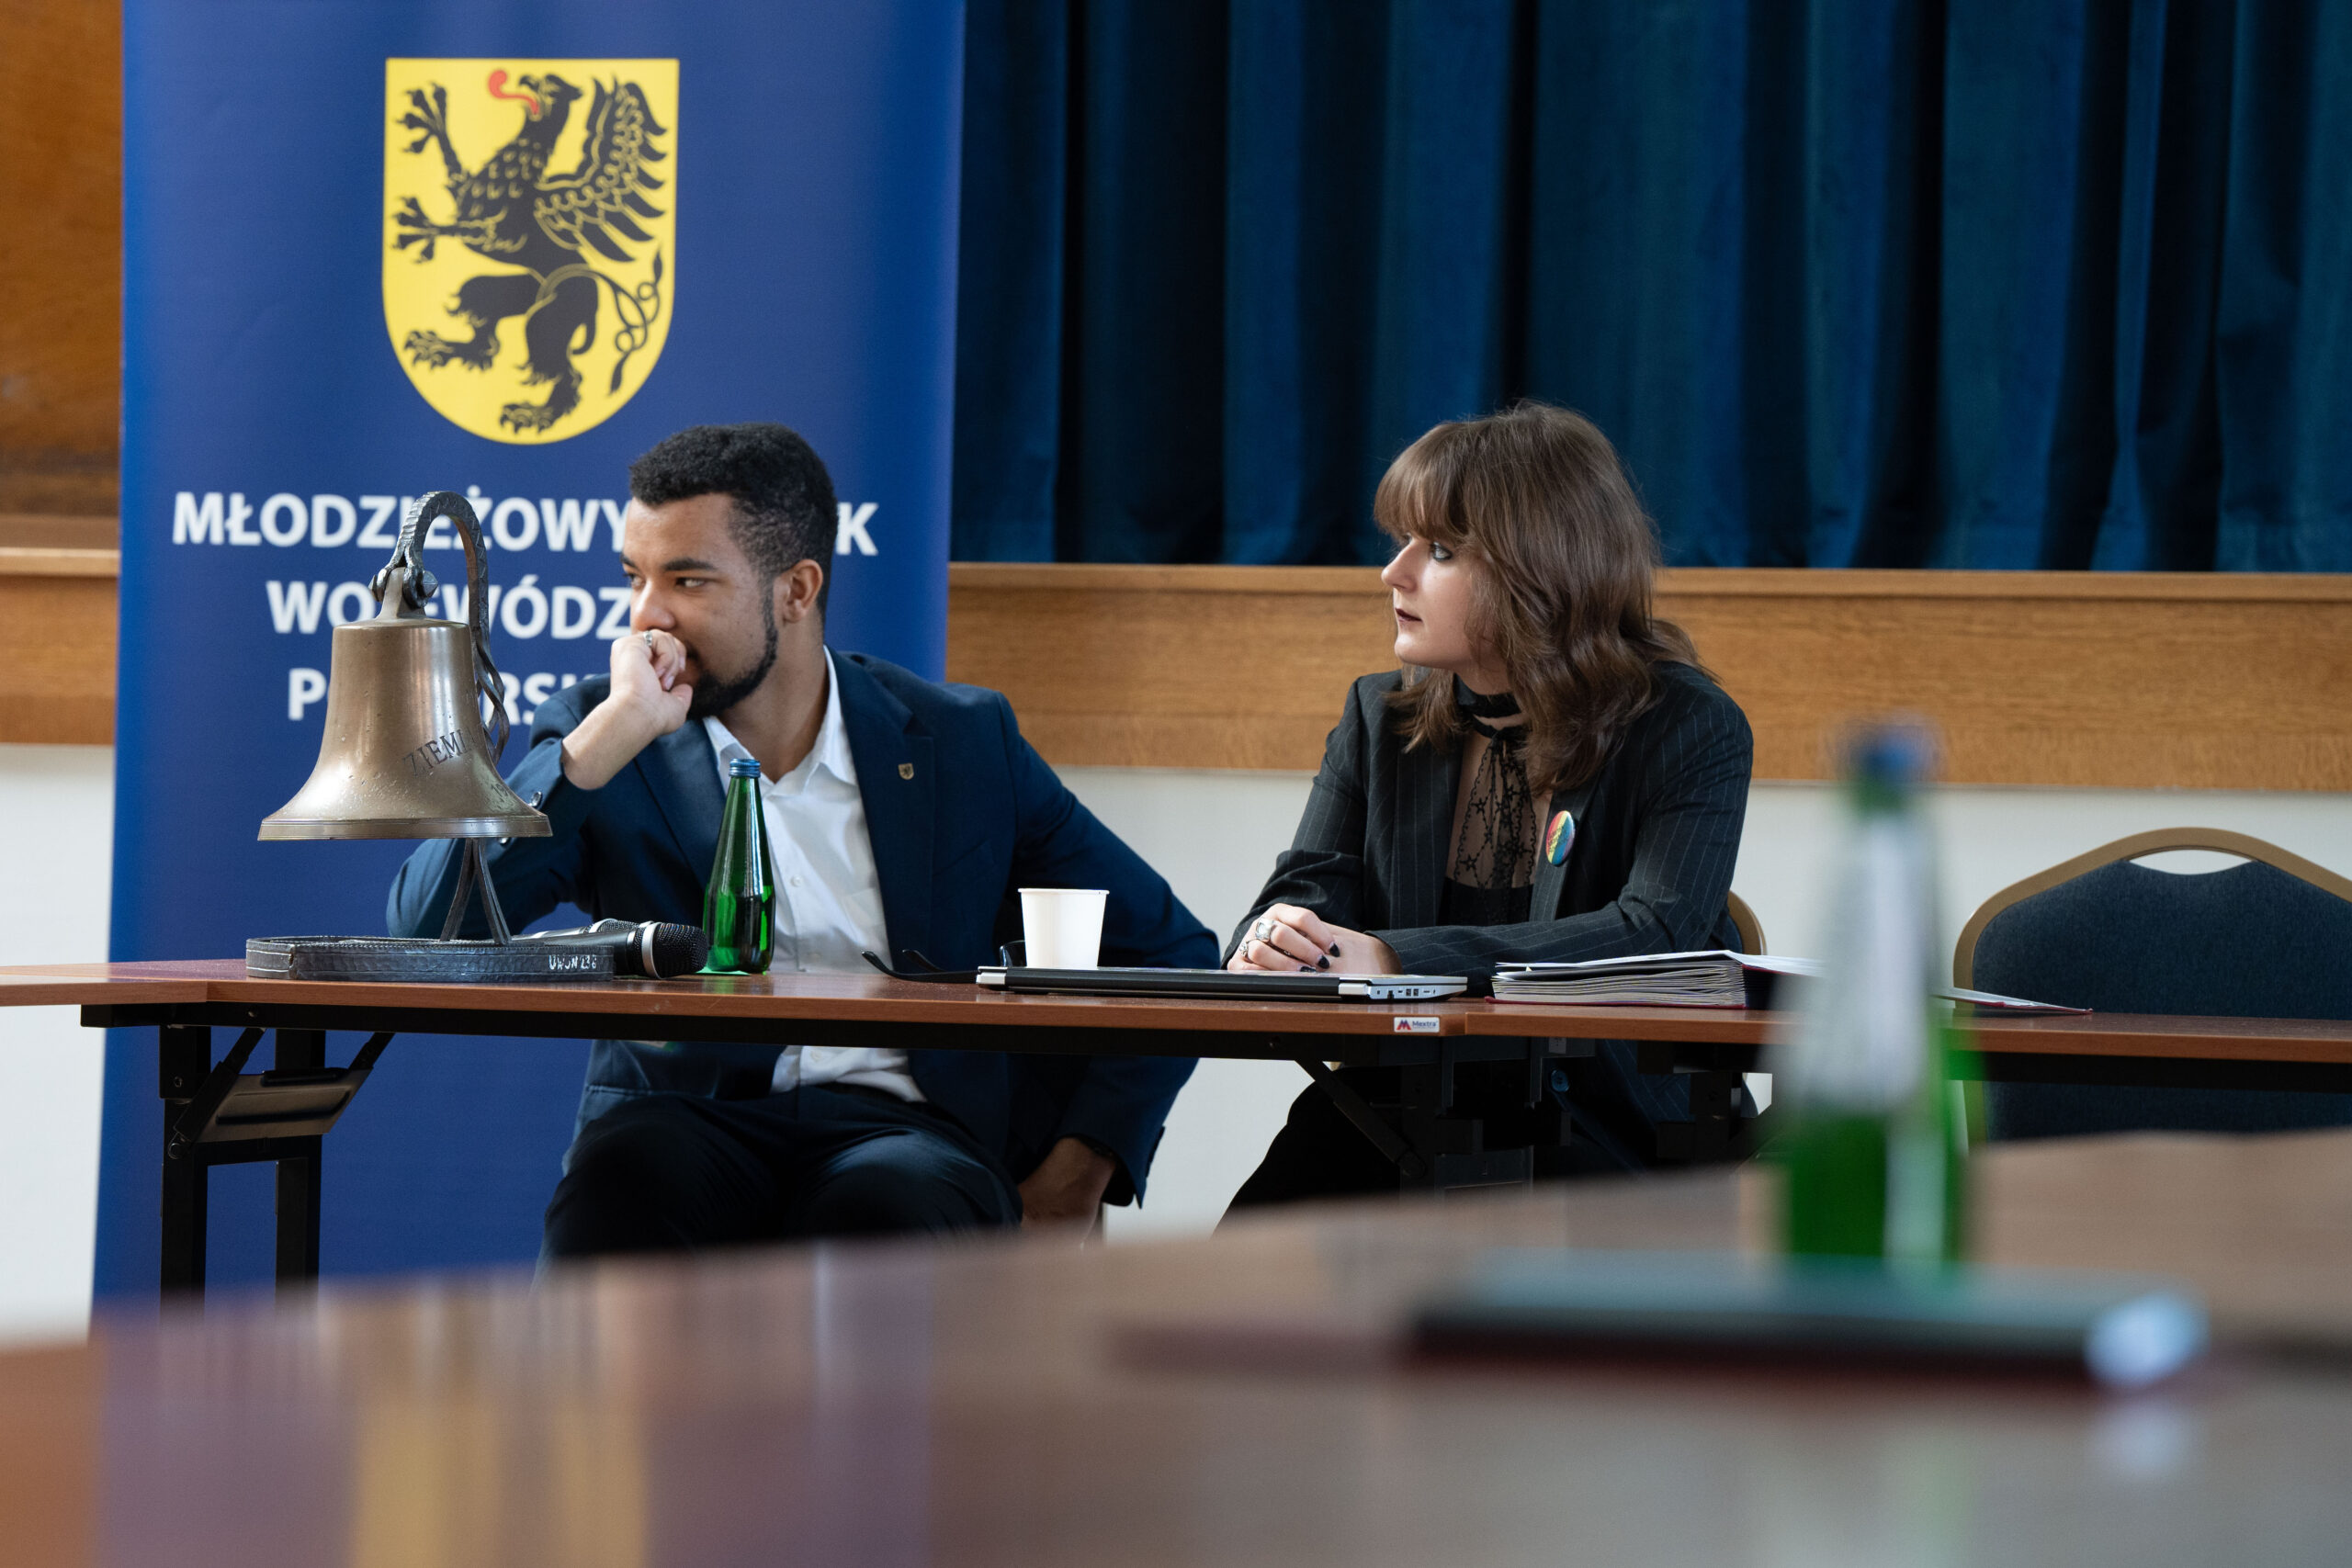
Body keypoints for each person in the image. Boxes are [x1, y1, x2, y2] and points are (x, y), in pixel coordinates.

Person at [388, 422, 1214, 1255]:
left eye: (687, 580)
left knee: (881, 1211)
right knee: (622, 1183)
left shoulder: (962, 740)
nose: (646, 617)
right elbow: (427, 931)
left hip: (907, 1132)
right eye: (635, 577)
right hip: (685, 1116)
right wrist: (603, 742)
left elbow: (1167, 946)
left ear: (797, 589)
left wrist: (1077, 1175)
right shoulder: (603, 737)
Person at [1224, 402, 1753, 1207]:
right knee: (1259, 1247)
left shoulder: (1687, 725)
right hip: (1397, 1115)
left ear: (1539, 570)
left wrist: (1396, 959)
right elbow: (1306, 891)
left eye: (1439, 550)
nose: (1394, 573)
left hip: (1603, 1125)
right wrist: (1279, 940)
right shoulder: (1379, 717)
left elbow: (1652, 935)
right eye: (1402, 541)